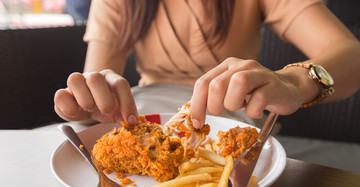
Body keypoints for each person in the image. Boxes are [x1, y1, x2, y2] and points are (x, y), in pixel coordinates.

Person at [54, 0, 360, 130]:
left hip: (231, 120)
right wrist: (93, 97)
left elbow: (350, 54)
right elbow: (99, 80)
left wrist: (295, 82)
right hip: (144, 115)